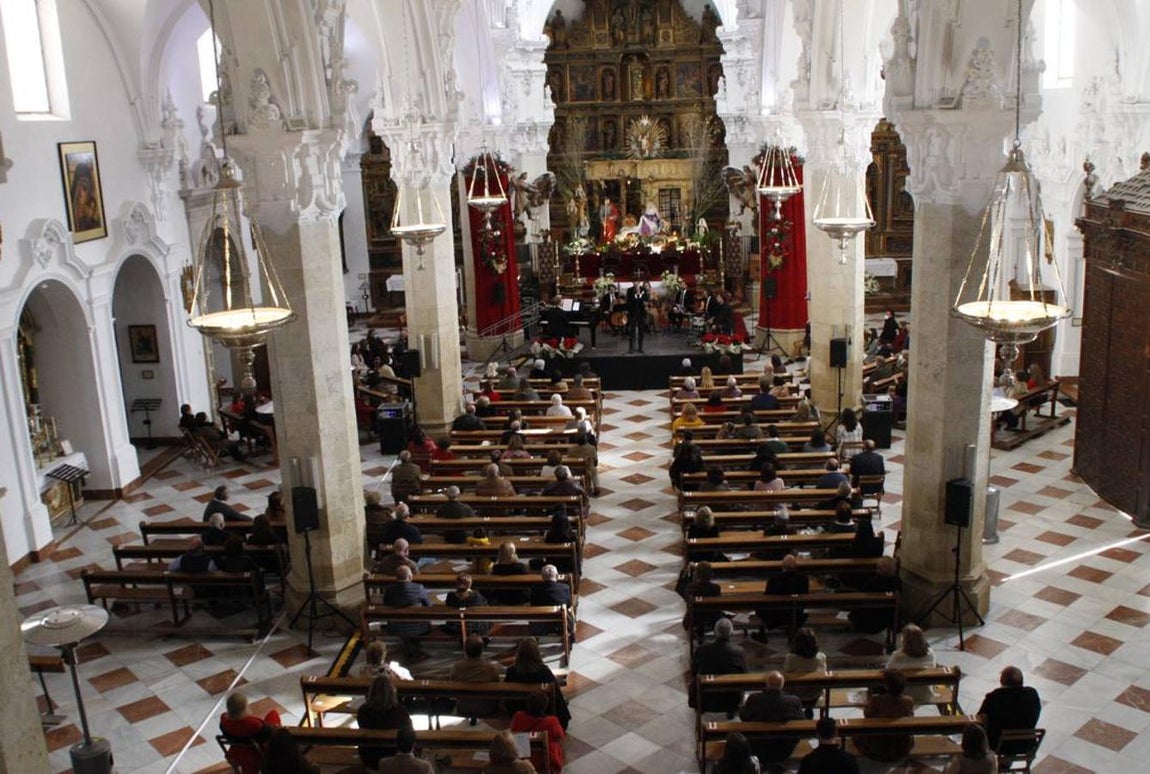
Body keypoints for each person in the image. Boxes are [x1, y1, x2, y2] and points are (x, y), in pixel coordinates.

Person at [738, 671, 805, 765]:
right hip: (785, 748)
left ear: (767, 684)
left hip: (757, 746)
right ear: (782, 685)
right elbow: (802, 722)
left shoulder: (754, 698)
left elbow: (743, 716)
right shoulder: (793, 701)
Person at [504, 638, 571, 728]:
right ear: (537, 654)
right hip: (541, 710)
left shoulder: (511, 671)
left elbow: (506, 693)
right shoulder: (543, 671)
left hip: (519, 709)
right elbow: (556, 694)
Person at [690, 618, 748, 716]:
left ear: (715, 632)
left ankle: (700, 709)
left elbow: (693, 671)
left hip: (706, 699)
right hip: (731, 699)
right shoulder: (738, 652)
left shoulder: (702, 650)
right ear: (731, 633)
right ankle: (732, 710)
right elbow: (745, 674)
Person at [977, 666, 1042, 753]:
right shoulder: (1032, 694)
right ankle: (1006, 763)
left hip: (998, 744)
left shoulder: (994, 697)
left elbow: (980, 718)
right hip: (1026, 743)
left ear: (1002, 681)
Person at [857, 668, 914, 762]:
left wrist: (868, 702)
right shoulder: (908, 701)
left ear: (886, 686)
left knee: (857, 733)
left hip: (877, 749)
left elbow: (867, 716)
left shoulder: (876, 700)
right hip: (901, 748)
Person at [219, 691, 282, 774]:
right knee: (273, 714)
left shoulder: (224, 722)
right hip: (253, 753)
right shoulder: (253, 724)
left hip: (235, 751)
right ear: (245, 708)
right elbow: (268, 733)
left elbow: (225, 717)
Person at [356, 675, 412, 770]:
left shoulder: (363, 710)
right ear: (392, 691)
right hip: (394, 754)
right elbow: (408, 732)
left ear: (371, 692)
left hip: (370, 756)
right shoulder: (400, 711)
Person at [509, 689, 566, 773]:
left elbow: (513, 731)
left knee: (520, 739)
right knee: (556, 744)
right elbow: (561, 737)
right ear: (545, 706)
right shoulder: (551, 721)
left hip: (523, 757)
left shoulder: (518, 716)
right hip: (542, 761)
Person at [449, 635, 504, 722]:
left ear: (465, 650)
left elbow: (452, 686)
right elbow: (497, 688)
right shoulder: (490, 668)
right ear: (482, 650)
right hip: (486, 707)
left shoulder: (457, 667)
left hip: (464, 707)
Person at [382, 565, 433, 657]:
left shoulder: (389, 590)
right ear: (410, 577)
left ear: (396, 577)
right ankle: (412, 646)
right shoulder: (419, 588)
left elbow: (386, 605)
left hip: (395, 627)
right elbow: (428, 605)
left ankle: (408, 645)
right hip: (419, 627)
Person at [756, 554, 809, 637]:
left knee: (760, 608)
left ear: (783, 567)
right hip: (797, 613)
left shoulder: (774, 580)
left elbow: (767, 597)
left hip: (778, 615)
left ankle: (761, 634)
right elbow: (805, 594)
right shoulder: (803, 579)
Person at [782, 628, 828, 718]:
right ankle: (809, 709)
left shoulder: (791, 658)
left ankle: (796, 711)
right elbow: (824, 672)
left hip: (796, 695)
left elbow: (786, 673)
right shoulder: (821, 657)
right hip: (815, 694)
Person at [848, 556, 901, 632]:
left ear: (878, 569)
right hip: (885, 620)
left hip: (867, 619)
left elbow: (861, 595)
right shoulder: (897, 583)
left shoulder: (873, 582)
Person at [887, 624, 937, 704]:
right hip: (925, 694)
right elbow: (933, 667)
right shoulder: (931, 654)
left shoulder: (898, 655)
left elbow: (888, 671)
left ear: (905, 640)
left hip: (903, 695)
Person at [566, 431, 600, 496]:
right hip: (588, 468)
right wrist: (594, 464)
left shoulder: (571, 449)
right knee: (594, 470)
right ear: (586, 439)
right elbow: (595, 460)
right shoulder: (591, 448)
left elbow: (569, 460)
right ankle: (596, 487)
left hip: (575, 469)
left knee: (592, 469)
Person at [626, 281, 649, 353]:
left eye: (637, 283)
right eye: (635, 283)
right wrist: (636, 295)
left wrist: (639, 296)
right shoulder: (629, 290)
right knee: (631, 331)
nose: (636, 284)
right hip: (633, 313)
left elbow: (645, 300)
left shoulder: (643, 290)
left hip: (641, 314)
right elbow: (629, 302)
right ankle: (631, 348)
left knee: (641, 331)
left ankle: (640, 347)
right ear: (633, 283)